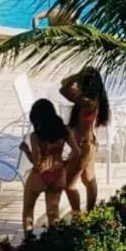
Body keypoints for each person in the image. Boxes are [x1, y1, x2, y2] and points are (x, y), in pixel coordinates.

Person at [20, 99, 80, 234]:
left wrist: (26, 150)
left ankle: (29, 241)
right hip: (58, 173)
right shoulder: (65, 131)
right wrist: (65, 162)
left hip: (39, 174)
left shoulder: (36, 136)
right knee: (53, 212)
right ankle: (54, 240)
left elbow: (36, 161)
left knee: (28, 209)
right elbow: (76, 152)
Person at [61, 67, 109, 213]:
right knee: (88, 179)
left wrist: (78, 74)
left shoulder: (87, 102)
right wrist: (80, 75)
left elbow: (63, 89)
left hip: (82, 147)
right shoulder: (95, 99)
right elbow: (64, 83)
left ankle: (78, 215)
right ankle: (91, 211)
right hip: (89, 145)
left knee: (68, 184)